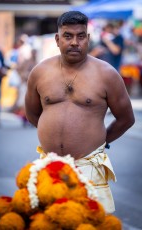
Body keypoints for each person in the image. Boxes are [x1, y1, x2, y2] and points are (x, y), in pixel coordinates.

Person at [25, 11, 135, 213]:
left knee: (88, 224)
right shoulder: (40, 72)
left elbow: (126, 118)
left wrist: (100, 141)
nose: (75, 42)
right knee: (47, 222)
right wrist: (52, 132)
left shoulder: (107, 74)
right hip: (50, 166)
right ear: (58, 39)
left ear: (88, 39)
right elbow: (32, 113)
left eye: (81, 36)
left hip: (89, 168)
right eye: (68, 36)